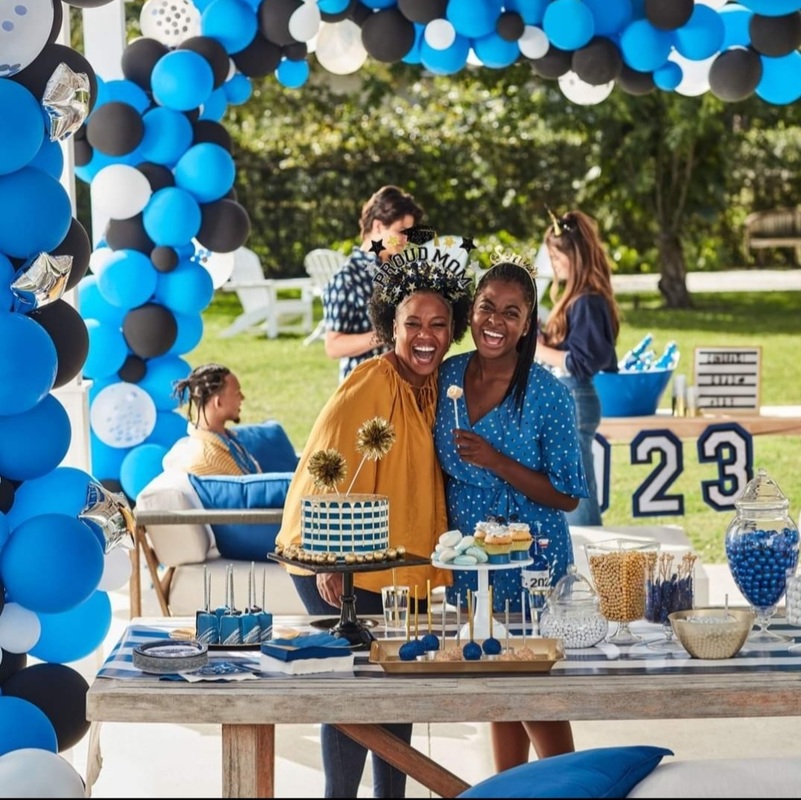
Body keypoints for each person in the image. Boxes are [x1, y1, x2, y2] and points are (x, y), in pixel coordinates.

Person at [277, 246, 472, 799]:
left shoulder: (438, 386)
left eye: (438, 324)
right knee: (355, 695)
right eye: (413, 323)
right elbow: (326, 465)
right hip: (341, 557)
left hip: (401, 561)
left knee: (398, 686)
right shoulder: (369, 383)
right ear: (391, 326)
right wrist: (329, 560)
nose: (426, 335)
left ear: (452, 329)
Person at [433, 254, 588, 774]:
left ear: (527, 325)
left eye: (511, 312)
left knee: (533, 691)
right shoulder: (447, 376)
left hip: (532, 561)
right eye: (486, 307)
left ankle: (568, 786)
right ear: (470, 312)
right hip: (471, 561)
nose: (495, 321)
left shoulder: (548, 395)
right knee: (496, 685)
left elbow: (567, 495)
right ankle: (508, 786)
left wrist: (496, 460)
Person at [535, 209, 620, 526]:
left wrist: (537, 349)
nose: (554, 266)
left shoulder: (587, 300)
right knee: (571, 488)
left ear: (575, 256)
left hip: (576, 399)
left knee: (578, 496)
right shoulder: (580, 298)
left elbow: (581, 362)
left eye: (557, 258)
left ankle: (589, 551)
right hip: (570, 399)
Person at [323, 185, 425, 382]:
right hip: (364, 388)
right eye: (401, 231)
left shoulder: (401, 271)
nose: (406, 239)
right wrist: (385, 334)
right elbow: (333, 346)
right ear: (378, 226)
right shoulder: (347, 278)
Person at [164, 363, 262, 476]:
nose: (242, 398)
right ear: (218, 402)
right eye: (237, 393)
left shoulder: (225, 440)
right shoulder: (209, 459)